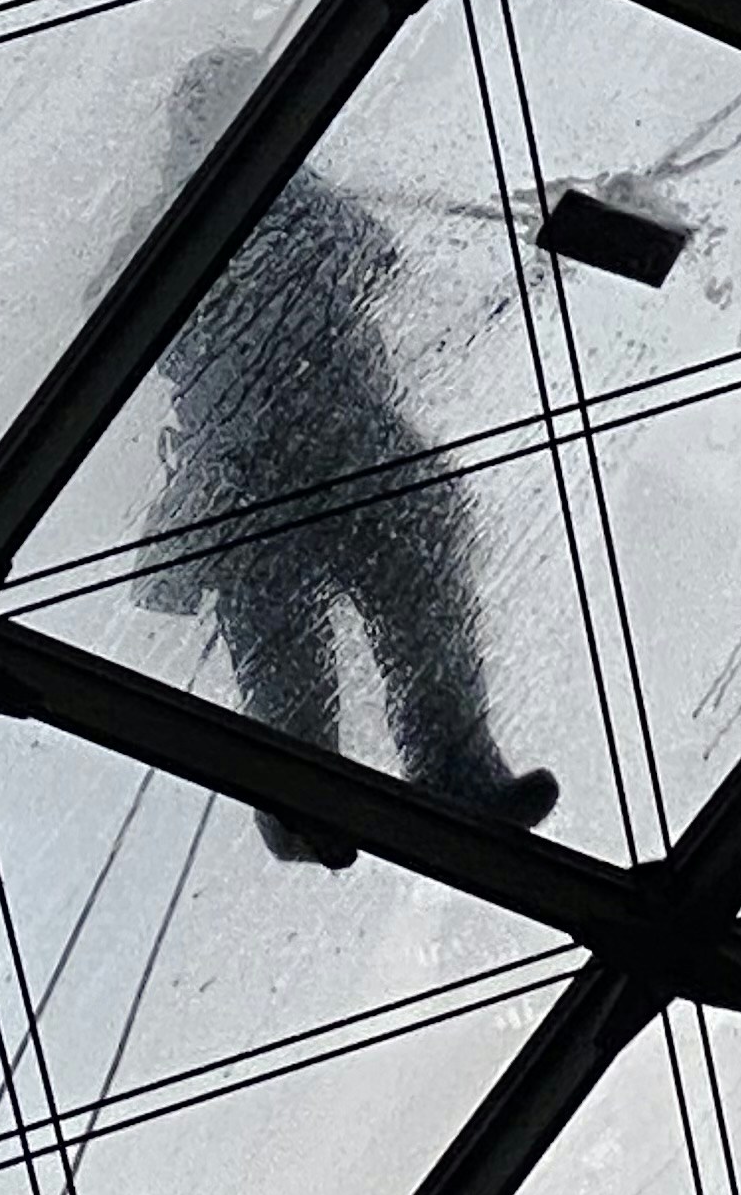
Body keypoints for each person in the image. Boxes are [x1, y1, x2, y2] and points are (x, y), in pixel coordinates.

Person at [134, 51, 556, 865]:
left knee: (357, 597)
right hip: (285, 452)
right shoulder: (245, 206)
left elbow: (365, 257)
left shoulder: (255, 206)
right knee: (374, 593)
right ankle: (401, 780)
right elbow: (371, 258)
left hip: (288, 453)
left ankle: (347, 791)